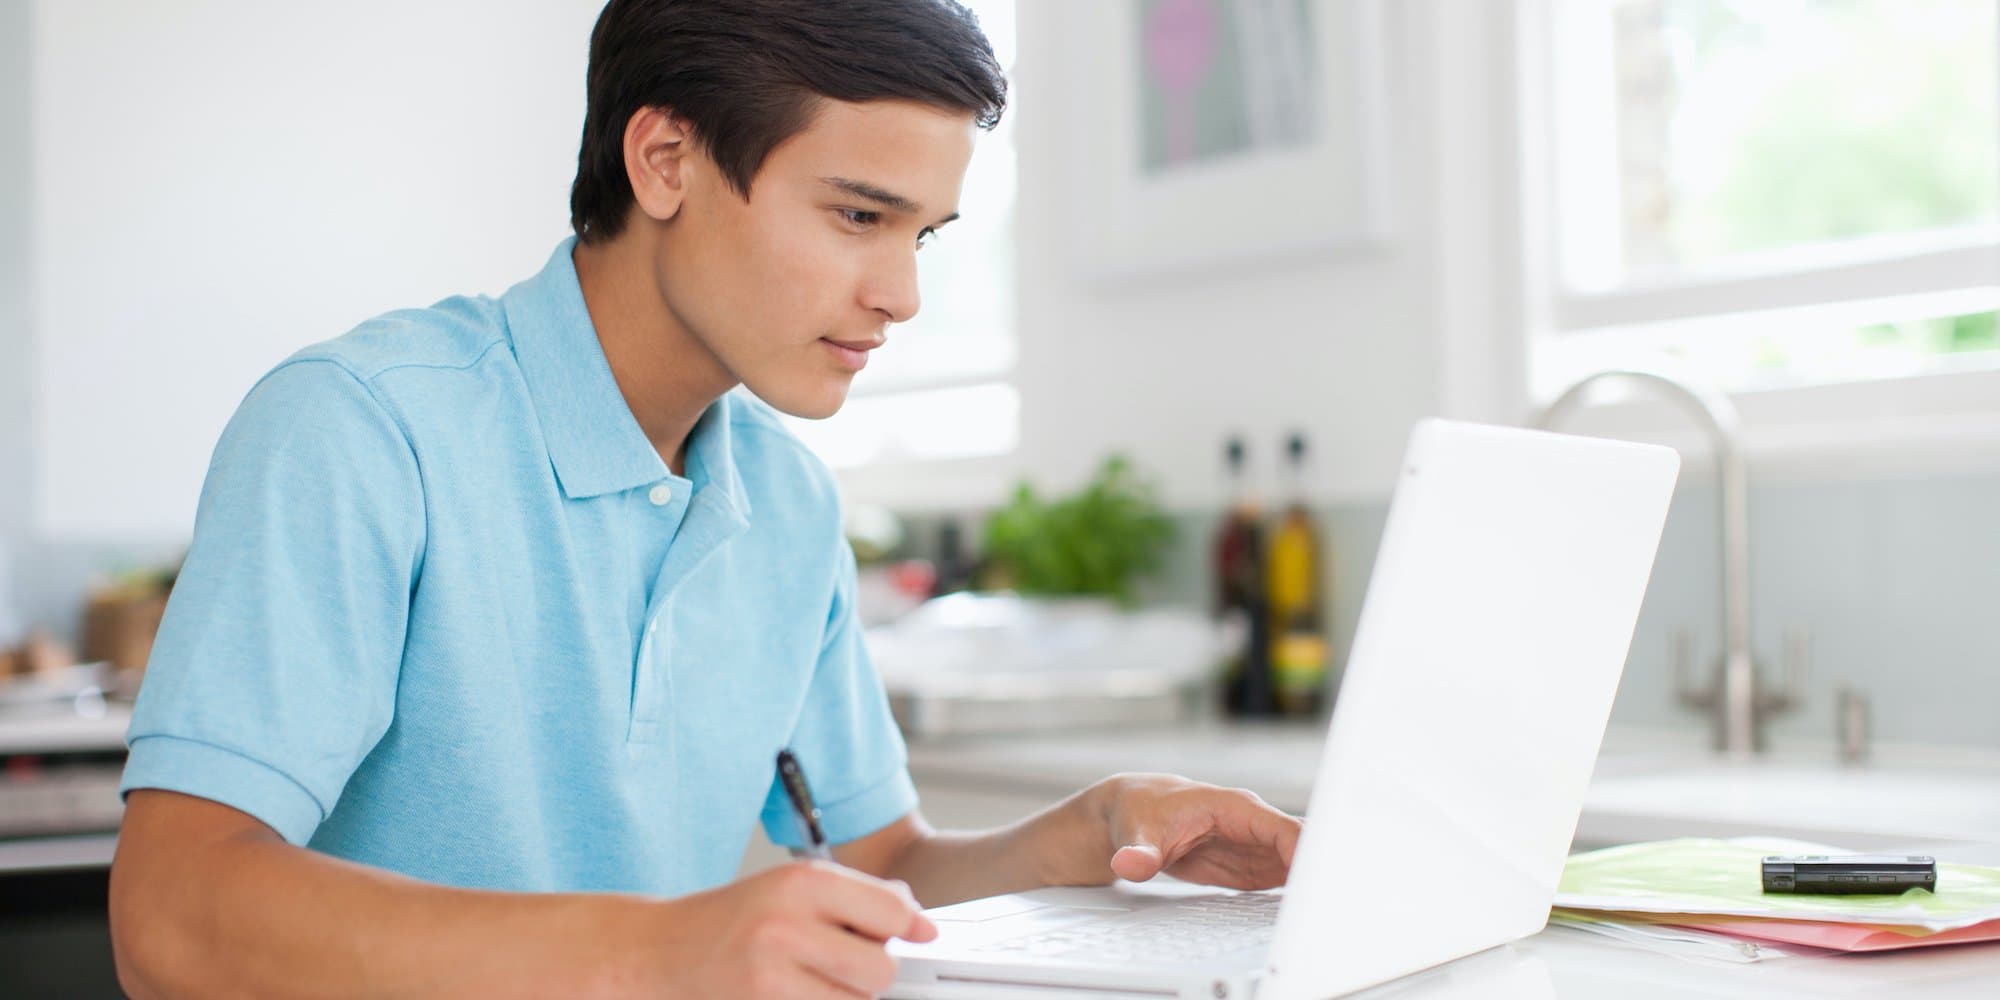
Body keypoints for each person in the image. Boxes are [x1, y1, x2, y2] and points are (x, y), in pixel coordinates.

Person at [108, 2, 1301, 996]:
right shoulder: (360, 428)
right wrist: (665, 947)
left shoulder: (783, 504)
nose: (899, 294)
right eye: (855, 215)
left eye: (923, 237)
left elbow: (874, 859)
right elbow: (171, 911)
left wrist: (1089, 835)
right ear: (665, 160)